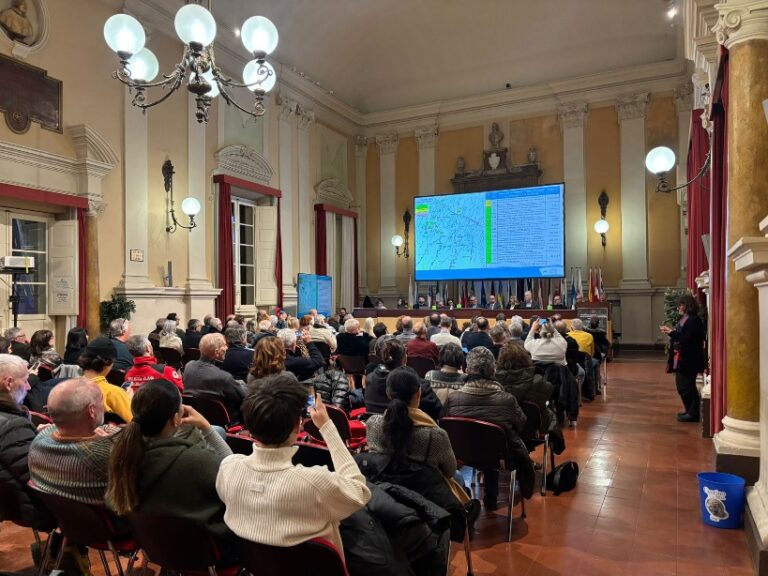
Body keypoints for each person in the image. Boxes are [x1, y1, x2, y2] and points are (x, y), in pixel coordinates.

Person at [215, 374, 371, 556]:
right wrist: (327, 427)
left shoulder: (228, 469)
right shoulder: (315, 483)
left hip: (256, 566)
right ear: (298, 426)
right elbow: (360, 492)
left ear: (248, 424)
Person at [106, 379, 235, 557]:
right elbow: (233, 472)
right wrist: (206, 427)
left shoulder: (119, 454)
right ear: (175, 419)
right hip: (206, 553)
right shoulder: (195, 460)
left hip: (154, 546)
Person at [441, 347, 533, 509]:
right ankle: (491, 499)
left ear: (466, 370)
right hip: (499, 457)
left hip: (461, 454)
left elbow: (444, 423)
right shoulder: (507, 399)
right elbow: (521, 424)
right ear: (493, 369)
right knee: (493, 446)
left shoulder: (453, 398)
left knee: (486, 444)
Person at [365, 366, 471, 506]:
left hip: (386, 494)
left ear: (388, 393)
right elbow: (450, 471)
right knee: (458, 476)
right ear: (418, 393)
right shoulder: (435, 435)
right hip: (426, 498)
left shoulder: (373, 424)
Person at [28, 378, 120, 504]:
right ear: (91, 410)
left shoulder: (39, 440)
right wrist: (112, 439)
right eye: (101, 399)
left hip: (62, 514)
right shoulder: (106, 455)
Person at [0, 354, 53, 528]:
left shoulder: (12, 425)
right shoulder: (12, 426)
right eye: (25, 380)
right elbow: (39, 477)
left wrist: (33, 435)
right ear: (9, 383)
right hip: (31, 508)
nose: (29, 387)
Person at [364, 338, 442, 421]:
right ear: (405, 358)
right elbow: (438, 412)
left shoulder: (369, 380)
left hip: (377, 428)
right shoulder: (418, 386)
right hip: (411, 428)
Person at [660, 294, 706, 422]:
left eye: (680, 305)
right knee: (683, 386)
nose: (678, 307)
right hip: (683, 358)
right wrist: (671, 332)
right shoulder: (686, 318)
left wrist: (672, 332)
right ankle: (690, 411)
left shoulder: (693, 320)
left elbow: (687, 339)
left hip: (689, 359)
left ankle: (693, 414)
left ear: (687, 306)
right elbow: (681, 335)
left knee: (686, 386)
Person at [184, 333, 246, 423]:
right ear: (216, 352)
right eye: (224, 345)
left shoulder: (188, 366)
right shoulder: (224, 377)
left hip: (198, 416)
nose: (227, 348)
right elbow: (244, 398)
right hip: (225, 421)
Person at [79, 337, 133, 423]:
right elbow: (136, 423)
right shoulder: (114, 393)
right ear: (108, 363)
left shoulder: (68, 386)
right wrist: (129, 400)